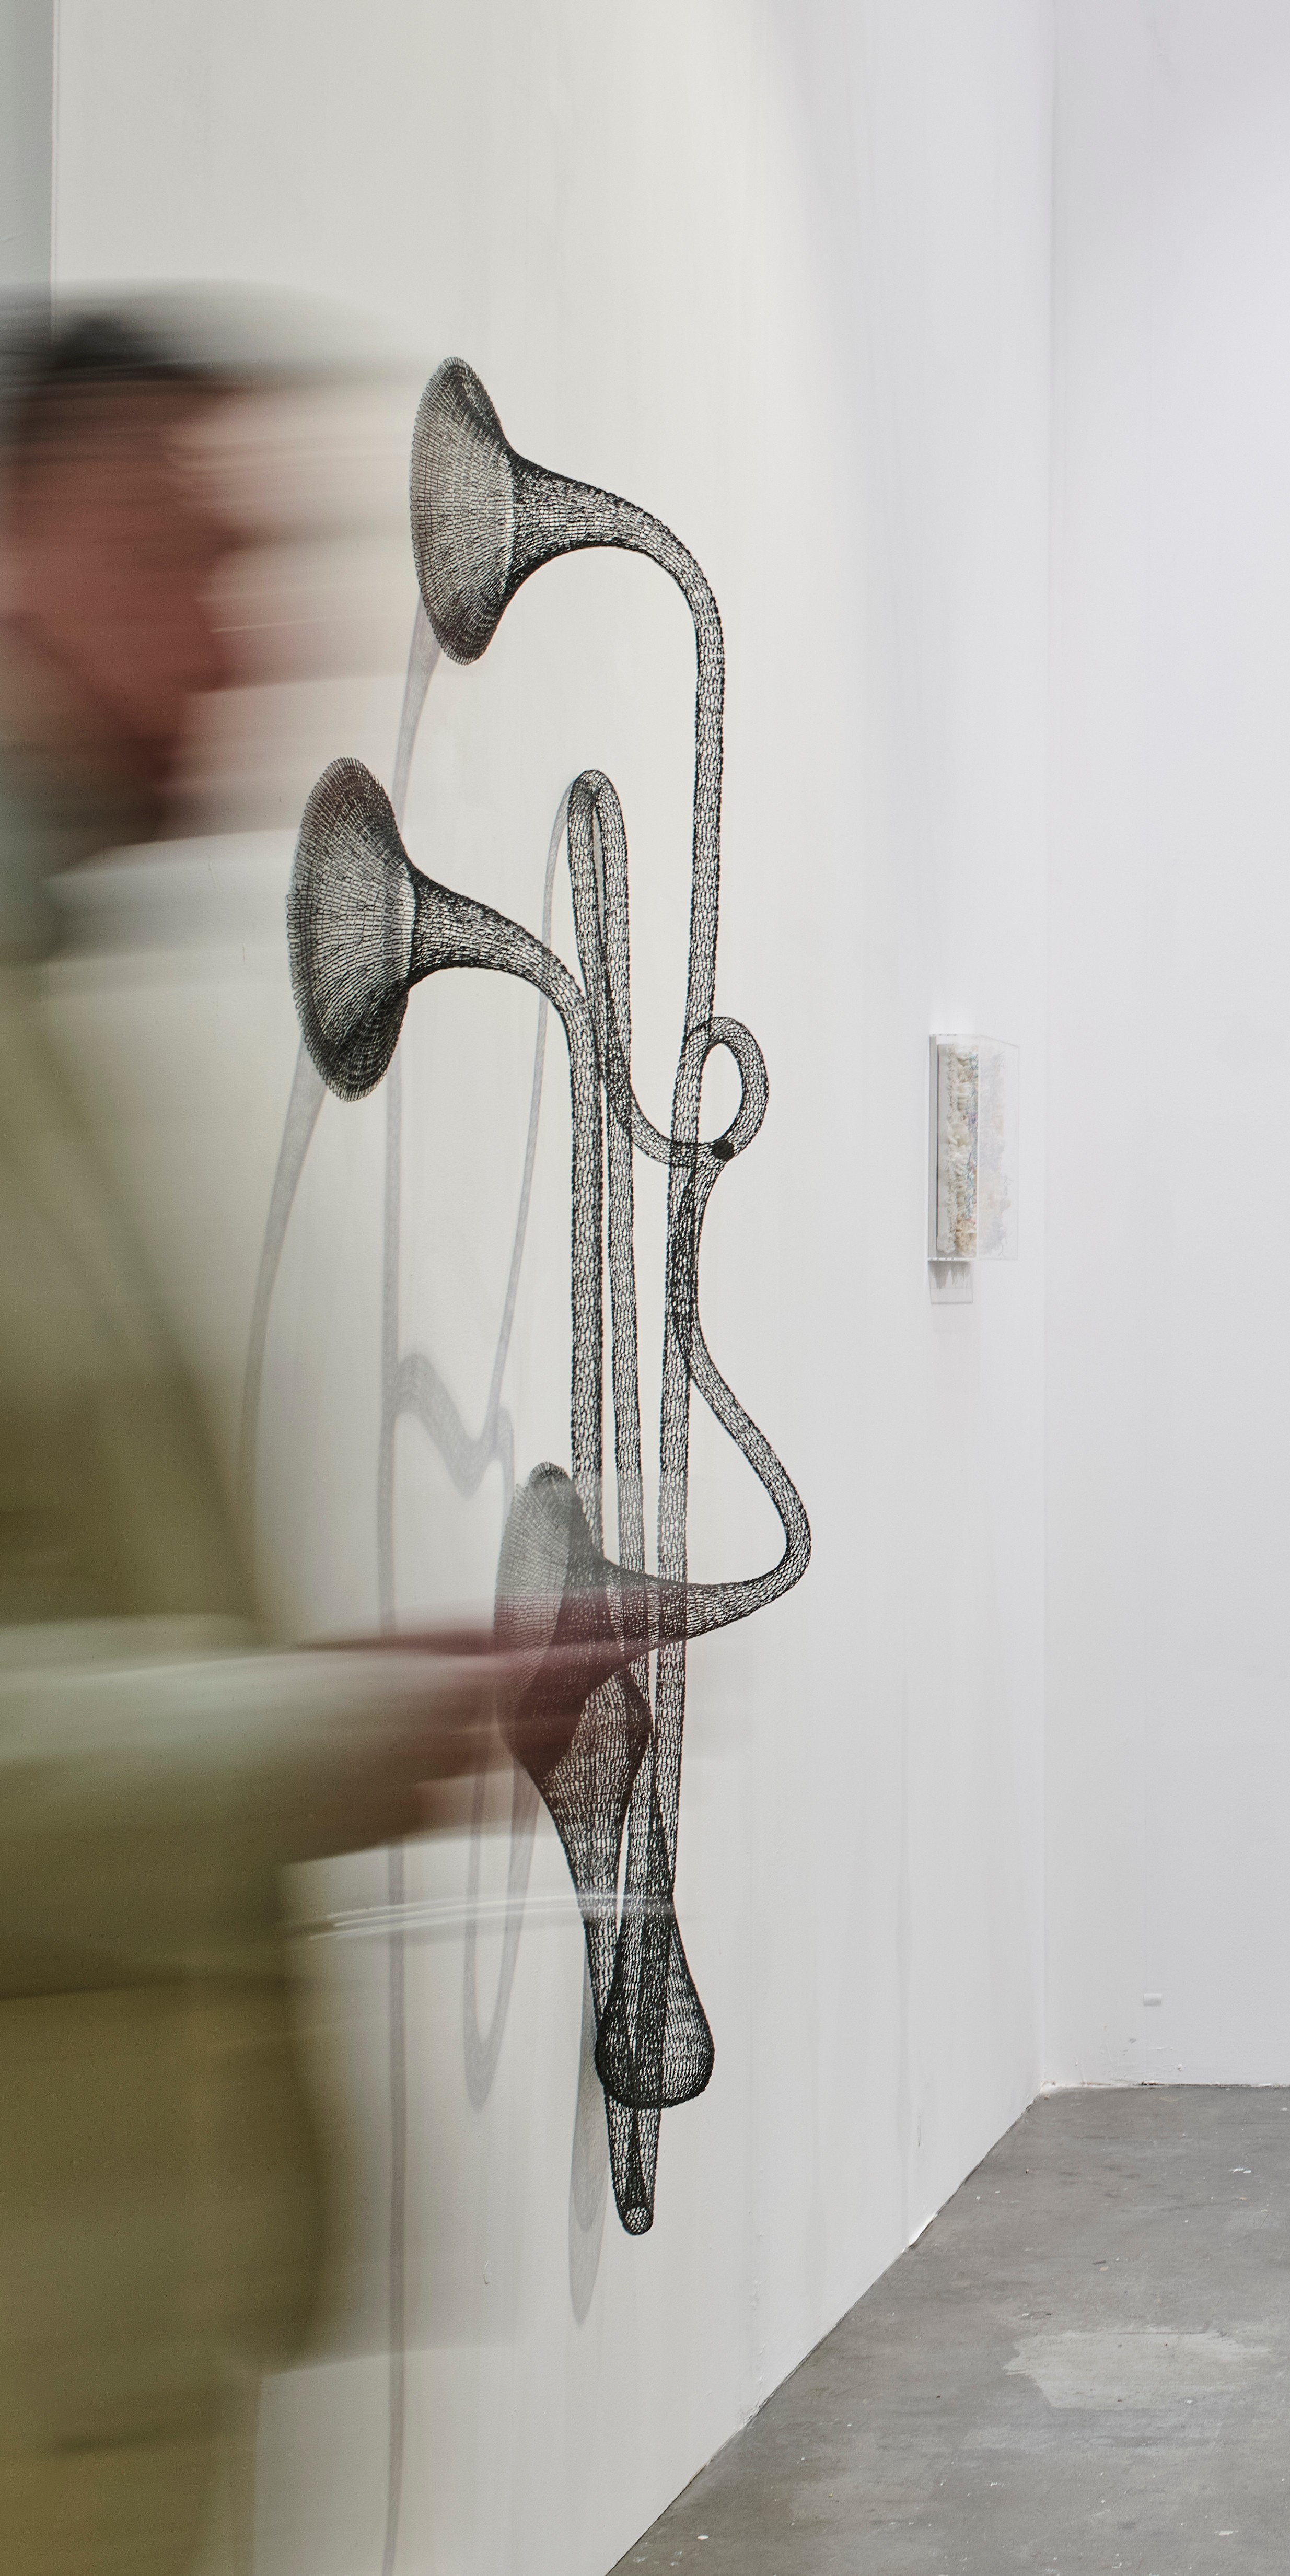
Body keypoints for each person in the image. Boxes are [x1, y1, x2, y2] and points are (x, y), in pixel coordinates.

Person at [0, 307, 490, 2575]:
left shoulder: (52, 1011)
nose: (246, 634)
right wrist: (309, 1740)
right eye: (184, 549)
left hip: (119, 2350)